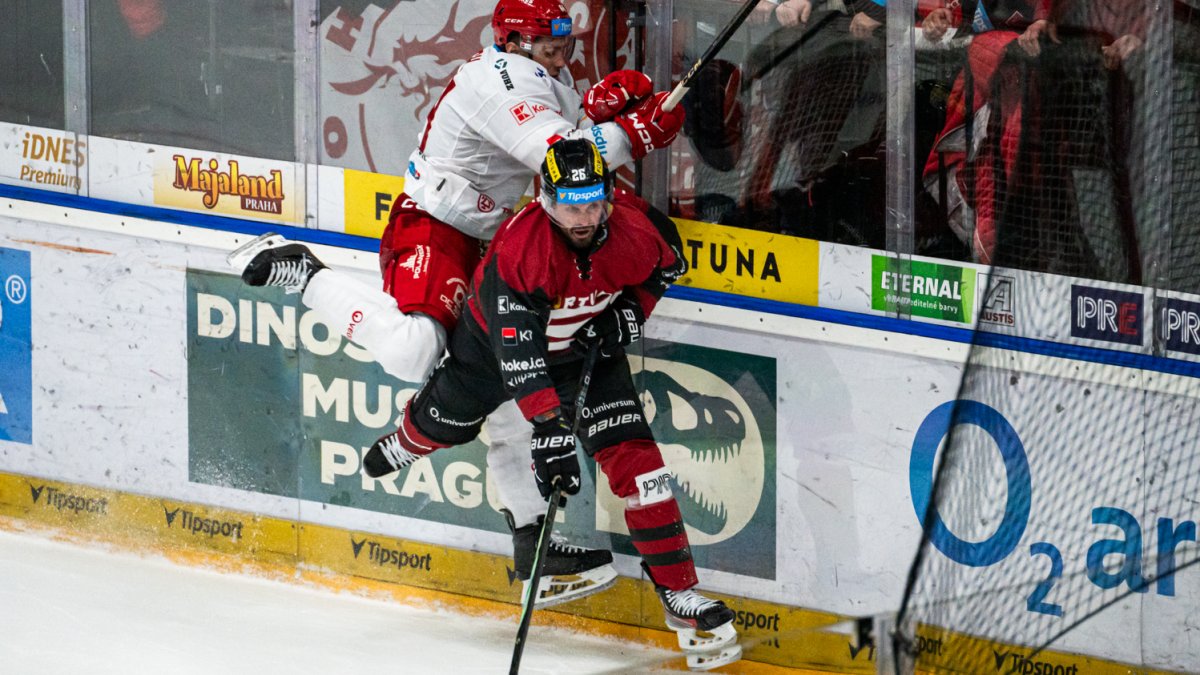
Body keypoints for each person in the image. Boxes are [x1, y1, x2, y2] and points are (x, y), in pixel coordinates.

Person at [228, 0, 685, 608]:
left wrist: (596, 110)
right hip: (438, 226)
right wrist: (633, 131)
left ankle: (534, 548)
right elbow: (563, 164)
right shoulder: (498, 82)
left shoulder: (546, 78)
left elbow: (567, 137)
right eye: (548, 41)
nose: (562, 49)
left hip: (490, 241)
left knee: (508, 401)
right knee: (417, 351)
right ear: (514, 41)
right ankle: (304, 271)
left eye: (564, 39)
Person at [362, 137, 741, 671]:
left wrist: (629, 314)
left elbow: (665, 271)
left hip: (587, 353)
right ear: (545, 199)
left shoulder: (639, 229)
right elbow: (521, 359)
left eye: (592, 202)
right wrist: (550, 429)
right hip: (491, 354)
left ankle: (681, 596)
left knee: (642, 469)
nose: (583, 217)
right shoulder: (523, 251)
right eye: (569, 204)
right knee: (444, 425)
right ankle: (407, 441)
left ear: (609, 194)